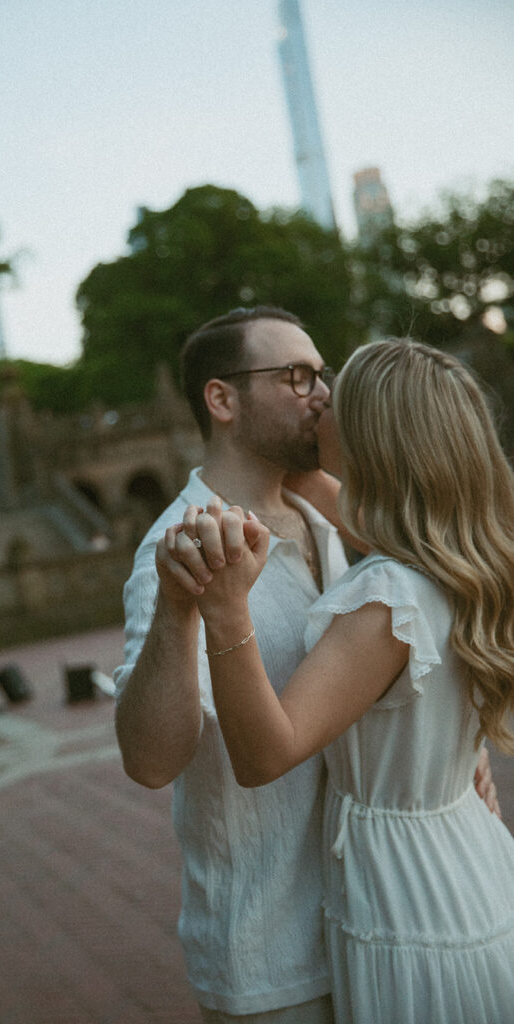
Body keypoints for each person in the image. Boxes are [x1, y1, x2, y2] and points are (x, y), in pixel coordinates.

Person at [113, 309, 497, 1023]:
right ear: (222, 400)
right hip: (275, 950)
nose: (320, 393)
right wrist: (179, 609)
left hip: (387, 908)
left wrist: (447, 750)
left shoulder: (334, 522)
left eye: (322, 374)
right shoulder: (177, 552)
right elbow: (148, 760)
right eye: (295, 376)